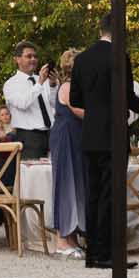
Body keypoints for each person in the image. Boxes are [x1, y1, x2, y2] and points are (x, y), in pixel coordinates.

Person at [68, 16, 139, 268]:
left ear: (100, 30)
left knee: (93, 195)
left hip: (90, 135)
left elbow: (75, 100)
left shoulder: (81, 59)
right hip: (114, 135)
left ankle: (92, 253)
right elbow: (129, 98)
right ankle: (107, 254)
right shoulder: (120, 57)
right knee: (112, 196)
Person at [51, 48, 86, 255]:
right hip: (65, 138)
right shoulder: (67, 87)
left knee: (76, 184)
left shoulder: (77, 86)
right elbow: (79, 111)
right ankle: (61, 240)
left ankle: (72, 236)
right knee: (65, 183)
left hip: (77, 137)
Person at [2, 41, 57, 166]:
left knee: (52, 175)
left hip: (50, 134)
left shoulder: (42, 79)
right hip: (28, 137)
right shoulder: (11, 84)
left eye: (35, 56)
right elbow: (23, 103)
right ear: (17, 59)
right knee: (32, 177)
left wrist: (53, 86)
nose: (33, 59)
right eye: (29, 56)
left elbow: (54, 104)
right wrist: (39, 84)